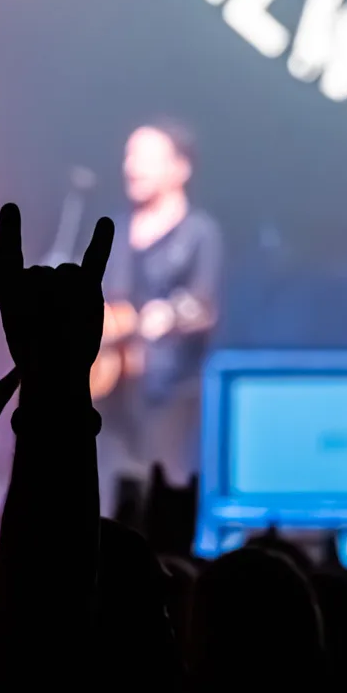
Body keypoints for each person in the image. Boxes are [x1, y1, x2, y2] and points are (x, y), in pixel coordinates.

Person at [96, 120, 222, 511]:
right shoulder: (113, 230)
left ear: (180, 168)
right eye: (129, 156)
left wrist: (161, 318)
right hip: (110, 392)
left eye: (145, 157)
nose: (132, 167)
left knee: (161, 497)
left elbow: (201, 306)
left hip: (168, 393)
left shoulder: (198, 234)